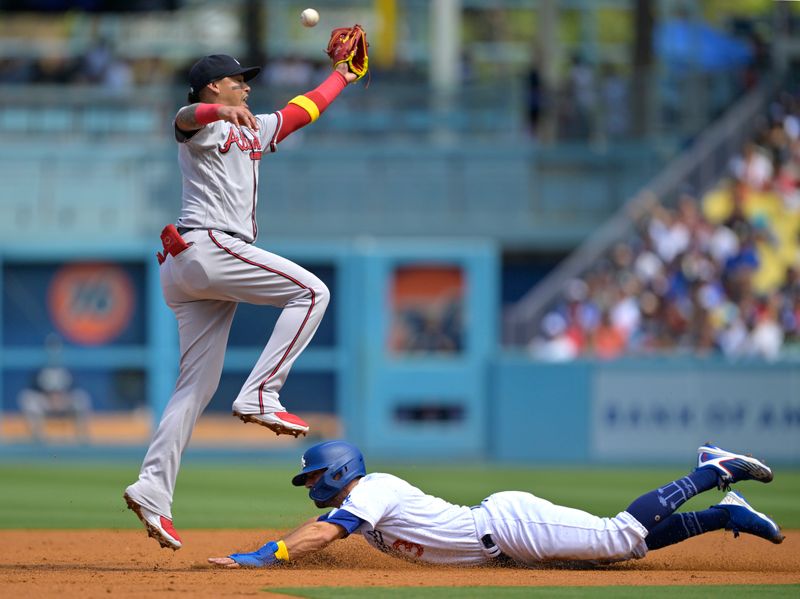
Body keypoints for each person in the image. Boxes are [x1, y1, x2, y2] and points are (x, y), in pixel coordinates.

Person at [123, 52, 361, 551]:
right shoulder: (202, 123)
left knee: (194, 387)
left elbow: (303, 110)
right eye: (238, 81)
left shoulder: (255, 126)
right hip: (208, 245)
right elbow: (183, 118)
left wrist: (342, 74)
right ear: (213, 87)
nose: (248, 88)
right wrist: (214, 112)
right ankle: (260, 394)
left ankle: (152, 490)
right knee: (312, 290)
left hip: (190, 266)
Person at [209, 441, 783, 569]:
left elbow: (326, 533)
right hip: (504, 547)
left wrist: (269, 555)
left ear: (337, 472)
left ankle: (713, 470)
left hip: (507, 526)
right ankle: (724, 514)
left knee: (619, 534)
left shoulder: (372, 489)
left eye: (313, 475)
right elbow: (323, 525)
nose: (309, 484)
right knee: (623, 553)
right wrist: (277, 548)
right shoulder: (356, 503)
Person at [17, 334, 92, 443]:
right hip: (46, 403)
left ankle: (81, 438)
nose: (54, 351)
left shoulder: (67, 368)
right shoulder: (40, 369)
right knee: (26, 398)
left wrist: (62, 399)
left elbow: (74, 389)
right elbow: (33, 389)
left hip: (64, 403)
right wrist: (49, 399)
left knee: (82, 397)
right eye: (51, 348)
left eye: (56, 348)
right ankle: (38, 437)